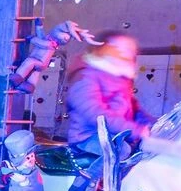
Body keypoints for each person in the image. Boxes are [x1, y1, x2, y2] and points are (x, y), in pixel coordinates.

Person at [61, 32, 147, 167]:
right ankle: (83, 186)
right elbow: (96, 114)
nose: (128, 53)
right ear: (106, 49)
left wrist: (153, 126)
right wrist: (136, 130)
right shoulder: (86, 77)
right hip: (87, 137)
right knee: (119, 152)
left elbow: (136, 111)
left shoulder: (121, 80)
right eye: (122, 49)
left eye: (131, 50)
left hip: (114, 135)